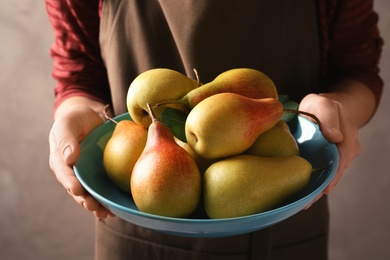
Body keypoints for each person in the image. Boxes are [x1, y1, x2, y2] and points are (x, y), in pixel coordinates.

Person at [46, 0, 383, 259]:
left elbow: (358, 69)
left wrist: (338, 112)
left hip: (288, 224)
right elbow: (78, 70)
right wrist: (76, 114)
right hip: (135, 229)